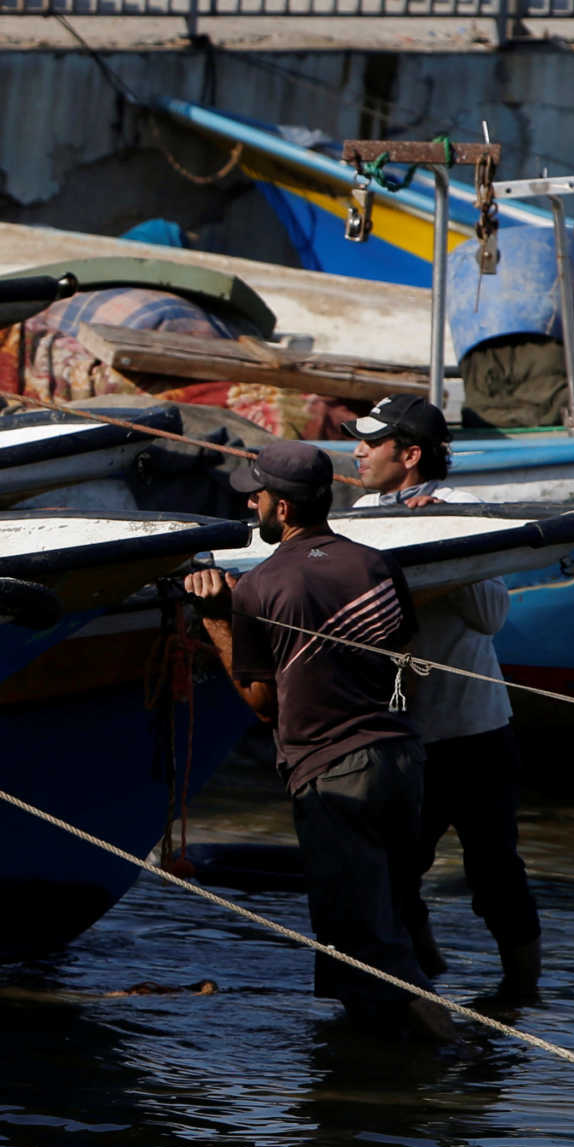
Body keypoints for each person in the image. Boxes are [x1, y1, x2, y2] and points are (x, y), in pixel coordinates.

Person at [182, 439, 454, 1040]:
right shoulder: (375, 564)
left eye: (256, 495)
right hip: (404, 760)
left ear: (281, 508)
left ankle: (460, 1052)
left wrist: (217, 620)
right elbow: (405, 658)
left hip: (334, 774)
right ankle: (380, 1059)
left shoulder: (262, 585)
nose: (250, 503)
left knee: (363, 941)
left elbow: (261, 705)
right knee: (386, 917)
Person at [346, 394, 542, 1003]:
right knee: (395, 869)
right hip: (401, 730)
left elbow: (489, 617)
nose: (357, 451)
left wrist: (450, 542)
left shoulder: (459, 509)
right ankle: (426, 975)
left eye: (371, 443)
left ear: (408, 455)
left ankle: (521, 989)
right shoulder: (361, 512)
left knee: (494, 869)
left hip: (476, 730)